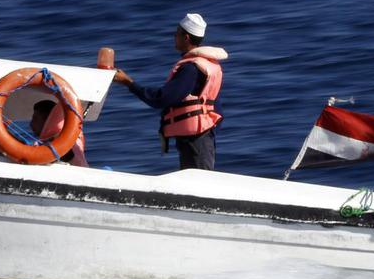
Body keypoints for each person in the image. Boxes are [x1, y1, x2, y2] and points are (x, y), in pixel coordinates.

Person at [111, 13, 227, 171]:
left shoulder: (191, 69)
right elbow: (215, 107)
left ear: (186, 37)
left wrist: (128, 83)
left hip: (196, 140)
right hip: (202, 136)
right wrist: (209, 132)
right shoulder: (207, 65)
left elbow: (161, 99)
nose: (174, 36)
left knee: (198, 181)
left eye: (176, 33)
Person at [30, 100, 89, 167]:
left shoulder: (64, 139)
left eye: (35, 119)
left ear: (47, 120)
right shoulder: (50, 140)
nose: (31, 123)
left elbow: (67, 155)